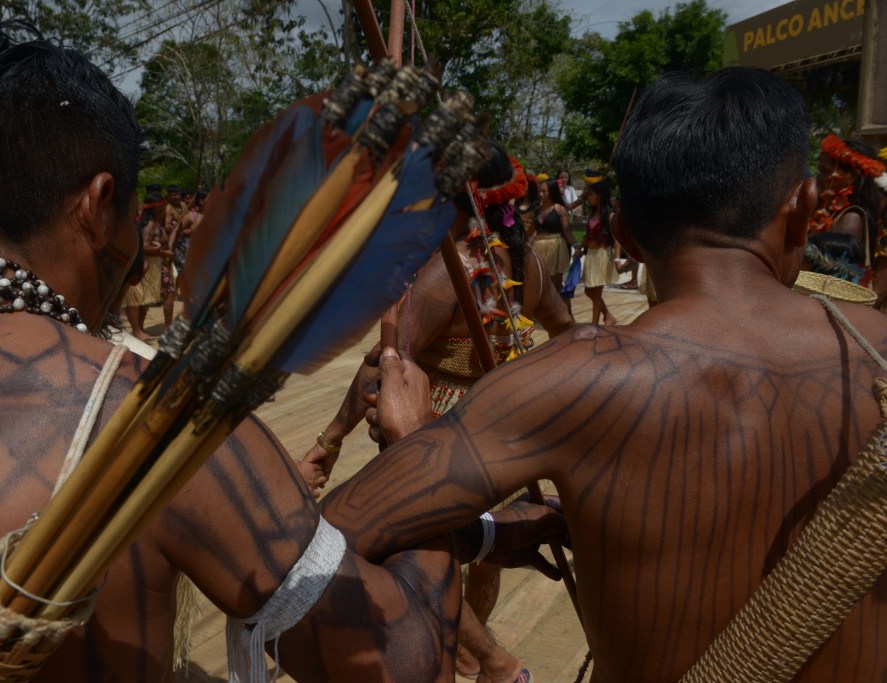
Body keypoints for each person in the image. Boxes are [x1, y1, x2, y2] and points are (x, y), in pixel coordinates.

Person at [0, 23, 564, 682]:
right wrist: (417, 457)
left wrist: (479, 536)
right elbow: (401, 664)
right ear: (99, 205)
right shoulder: (148, 418)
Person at [321, 66, 887, 681]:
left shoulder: (576, 378)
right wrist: (486, 535)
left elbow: (314, 548)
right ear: (805, 209)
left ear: (624, 236)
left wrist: (409, 442)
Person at [300, 144, 571, 683]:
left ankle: (482, 658)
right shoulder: (528, 264)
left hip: (436, 432)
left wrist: (327, 443)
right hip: (504, 430)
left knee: (419, 545)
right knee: (487, 550)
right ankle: (475, 650)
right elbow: (568, 331)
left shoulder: (453, 271)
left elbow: (384, 366)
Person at [807, 135, 885, 289]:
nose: (819, 177)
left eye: (825, 171)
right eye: (819, 170)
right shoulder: (826, 211)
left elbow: (831, 282)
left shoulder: (852, 219)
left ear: (852, 177)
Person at [578, 179, 619, 325]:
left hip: (602, 255)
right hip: (591, 256)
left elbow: (616, 239)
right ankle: (608, 316)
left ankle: (594, 324)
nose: (588, 198)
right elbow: (588, 234)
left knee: (596, 294)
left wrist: (617, 259)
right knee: (589, 291)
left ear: (600, 196)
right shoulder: (592, 213)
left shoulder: (609, 215)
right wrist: (579, 249)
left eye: (591, 195)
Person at [532, 178, 577, 302]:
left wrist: (577, 247)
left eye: (544, 191)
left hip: (556, 247)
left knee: (555, 284)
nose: (541, 194)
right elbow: (530, 232)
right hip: (538, 247)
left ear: (552, 192)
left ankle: (564, 314)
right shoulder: (537, 210)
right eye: (539, 191)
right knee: (540, 282)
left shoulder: (560, 210)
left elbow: (567, 232)